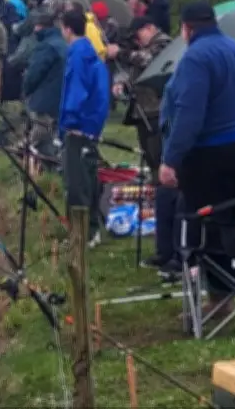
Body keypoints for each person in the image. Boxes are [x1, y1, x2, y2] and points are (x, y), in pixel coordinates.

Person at [159, 0, 235, 317]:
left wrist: (171, 159)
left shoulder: (195, 57)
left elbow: (190, 115)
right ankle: (227, 291)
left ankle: (214, 297)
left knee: (201, 223)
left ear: (187, 28)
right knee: (232, 221)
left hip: (212, 154)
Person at [106, 16, 175, 275]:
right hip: (143, 114)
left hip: (157, 114)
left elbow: (152, 64)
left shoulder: (164, 44)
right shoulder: (144, 47)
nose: (137, 41)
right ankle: (162, 244)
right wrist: (122, 83)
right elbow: (137, 71)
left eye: (138, 36)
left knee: (161, 174)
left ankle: (167, 246)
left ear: (149, 28)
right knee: (154, 174)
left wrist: (122, 53)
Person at [59, 9, 111, 248]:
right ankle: (91, 230)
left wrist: (71, 122)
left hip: (78, 128)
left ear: (67, 29)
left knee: (76, 182)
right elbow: (101, 92)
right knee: (89, 178)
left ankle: (83, 235)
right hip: (91, 126)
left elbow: (76, 91)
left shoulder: (77, 55)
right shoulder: (92, 52)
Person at [22, 12, 68, 156]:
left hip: (46, 99)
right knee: (54, 135)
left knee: (41, 135)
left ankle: (41, 164)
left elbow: (34, 73)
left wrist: (26, 90)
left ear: (39, 27)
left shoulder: (46, 47)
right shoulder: (63, 43)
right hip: (62, 97)